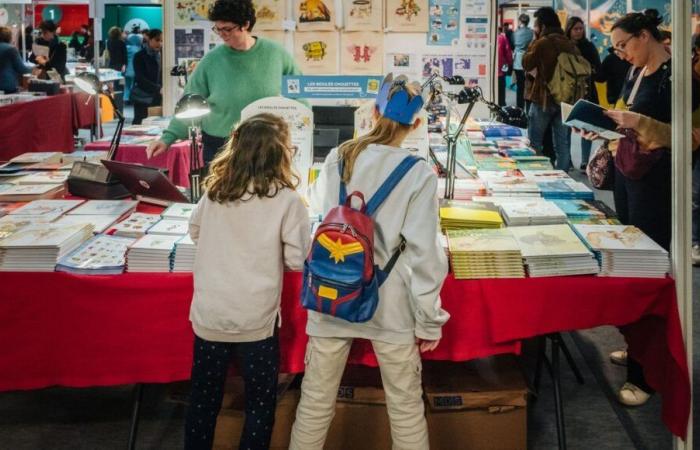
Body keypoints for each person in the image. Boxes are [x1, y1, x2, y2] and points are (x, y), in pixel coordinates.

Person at [289, 76, 449, 450]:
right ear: (417, 125)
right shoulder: (419, 173)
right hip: (390, 303)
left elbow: (318, 209)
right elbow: (426, 253)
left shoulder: (339, 156)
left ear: (373, 113)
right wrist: (429, 319)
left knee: (314, 404)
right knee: (406, 408)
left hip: (330, 296)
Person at [575, 9, 700, 407]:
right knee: (630, 263)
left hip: (659, 184)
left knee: (650, 271)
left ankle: (646, 373)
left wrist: (638, 123)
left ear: (645, 36)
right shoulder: (635, 72)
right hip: (629, 177)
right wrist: (600, 125)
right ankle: (638, 347)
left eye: (624, 45)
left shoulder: (678, 77)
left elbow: (688, 137)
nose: (621, 54)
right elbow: (628, 123)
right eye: (615, 48)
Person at [186, 113, 310, 450]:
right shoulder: (286, 200)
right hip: (256, 320)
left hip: (210, 316)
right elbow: (298, 259)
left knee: (203, 400)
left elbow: (195, 231)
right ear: (281, 154)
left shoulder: (214, 191)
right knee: (259, 402)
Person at [146, 0, 303, 170]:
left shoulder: (276, 54)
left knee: (263, 194)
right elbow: (190, 101)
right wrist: (167, 138)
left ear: (245, 24)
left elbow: (299, 95)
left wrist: (303, 131)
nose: (222, 34)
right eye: (218, 29)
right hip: (219, 144)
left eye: (227, 29)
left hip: (265, 144)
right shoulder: (211, 60)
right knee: (220, 195)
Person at [523, 7, 581, 171]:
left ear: (541, 25)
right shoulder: (568, 43)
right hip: (565, 100)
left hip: (544, 98)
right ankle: (562, 179)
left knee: (534, 141)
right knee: (562, 146)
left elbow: (526, 63)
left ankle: (536, 175)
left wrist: (534, 41)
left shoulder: (542, 43)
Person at [565, 16, 601, 169]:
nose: (579, 32)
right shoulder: (564, 46)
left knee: (587, 127)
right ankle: (568, 160)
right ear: (569, 29)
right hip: (568, 92)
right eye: (575, 29)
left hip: (587, 91)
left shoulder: (589, 46)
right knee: (566, 128)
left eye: (581, 29)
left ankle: (585, 161)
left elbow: (598, 68)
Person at [132, 29, 162, 125]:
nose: (160, 43)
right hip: (142, 97)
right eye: (157, 40)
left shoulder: (163, 55)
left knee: (155, 123)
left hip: (157, 97)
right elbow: (140, 78)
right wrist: (158, 88)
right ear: (150, 40)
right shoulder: (139, 56)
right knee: (139, 123)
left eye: (161, 41)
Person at [513, 14, 534, 110]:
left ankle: (519, 107)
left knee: (520, 86)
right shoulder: (531, 32)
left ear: (520, 21)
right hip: (528, 61)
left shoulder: (516, 32)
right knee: (529, 85)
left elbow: (513, 43)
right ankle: (528, 108)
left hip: (517, 61)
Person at [0, 26, 30, 93]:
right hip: (7, 86)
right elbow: (22, 69)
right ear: (9, 37)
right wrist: (32, 69)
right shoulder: (11, 49)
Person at [124, 32, 143, 103]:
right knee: (133, 84)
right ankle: (131, 98)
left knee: (127, 85)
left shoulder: (126, 48)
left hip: (126, 69)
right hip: (135, 69)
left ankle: (126, 98)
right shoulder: (138, 49)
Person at [497, 26, 513, 107]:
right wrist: (509, 63)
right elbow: (508, 53)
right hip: (500, 70)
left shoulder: (486, 39)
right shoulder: (503, 38)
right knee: (501, 89)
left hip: (488, 71)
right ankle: (501, 104)